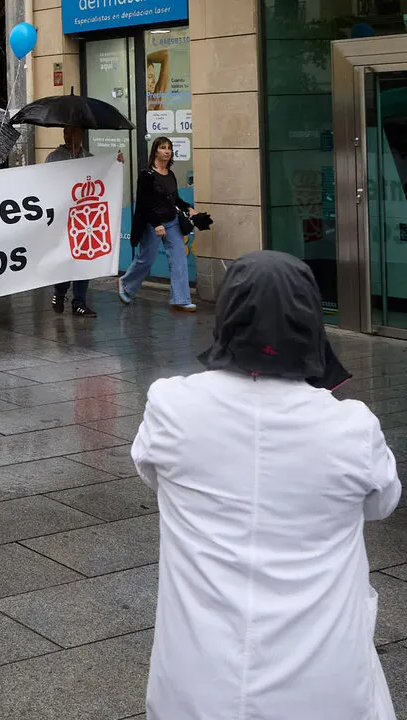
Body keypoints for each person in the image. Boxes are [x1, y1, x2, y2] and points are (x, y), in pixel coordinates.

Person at [134, 250, 399, 720]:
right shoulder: (351, 426)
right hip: (323, 681)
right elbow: (382, 502)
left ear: (228, 316)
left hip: (197, 680)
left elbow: (150, 472)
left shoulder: (171, 406)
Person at [121, 136, 196, 312]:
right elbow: (144, 204)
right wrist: (156, 224)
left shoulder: (170, 174)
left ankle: (180, 299)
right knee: (146, 259)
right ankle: (126, 285)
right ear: (155, 151)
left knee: (179, 259)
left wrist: (188, 207)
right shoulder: (146, 175)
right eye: (163, 148)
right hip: (151, 223)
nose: (167, 151)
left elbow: (174, 199)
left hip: (172, 221)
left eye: (169, 148)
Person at [46, 126, 112, 318]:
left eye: (73, 133)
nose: (68, 137)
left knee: (84, 259)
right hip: (62, 218)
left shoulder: (89, 159)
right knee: (66, 259)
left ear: (81, 134)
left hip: (84, 220)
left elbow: (103, 178)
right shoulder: (54, 158)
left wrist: (115, 164)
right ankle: (60, 291)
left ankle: (79, 302)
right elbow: (45, 183)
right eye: (65, 133)